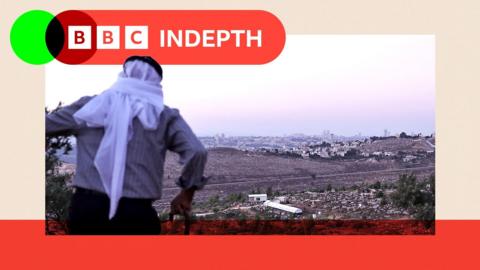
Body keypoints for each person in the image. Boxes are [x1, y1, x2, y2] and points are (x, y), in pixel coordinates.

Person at [45, 56, 208, 235]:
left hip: (87, 211)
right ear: (156, 83)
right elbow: (197, 151)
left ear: (123, 74)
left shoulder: (90, 106)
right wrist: (187, 194)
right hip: (137, 215)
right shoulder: (164, 116)